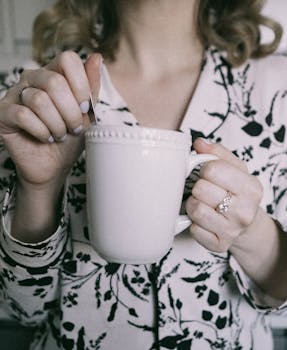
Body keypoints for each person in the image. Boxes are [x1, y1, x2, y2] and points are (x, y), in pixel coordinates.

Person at [0, 0, 287, 349]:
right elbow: (19, 310)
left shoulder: (277, 91)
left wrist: (252, 231)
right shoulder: (33, 97)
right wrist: (38, 189)